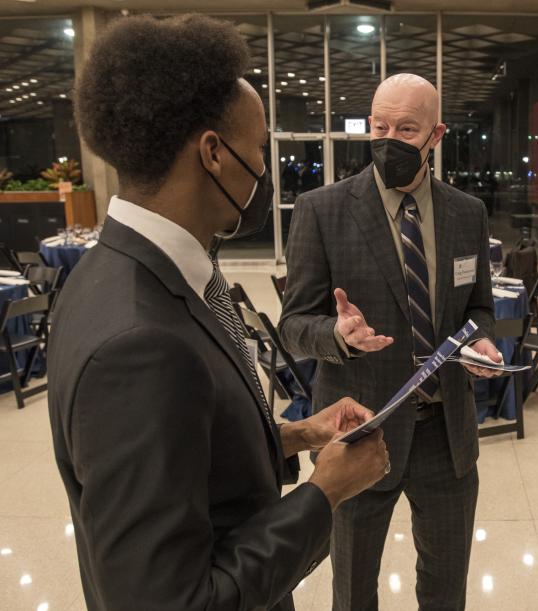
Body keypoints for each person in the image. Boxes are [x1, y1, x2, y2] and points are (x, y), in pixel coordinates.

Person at [47, 15, 389, 611]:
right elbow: (171, 600)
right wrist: (323, 494)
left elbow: (189, 454)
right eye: (258, 149)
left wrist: (296, 435)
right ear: (213, 153)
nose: (265, 167)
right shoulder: (138, 343)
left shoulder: (130, 271)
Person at [279, 73, 501, 610]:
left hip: (446, 435)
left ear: (436, 135)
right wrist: (336, 334)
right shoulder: (322, 209)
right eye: (379, 126)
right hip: (359, 429)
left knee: (446, 588)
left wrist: (484, 345)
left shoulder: (465, 212)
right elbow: (293, 324)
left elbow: (478, 308)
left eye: (406, 129)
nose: (389, 140)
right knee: (353, 590)